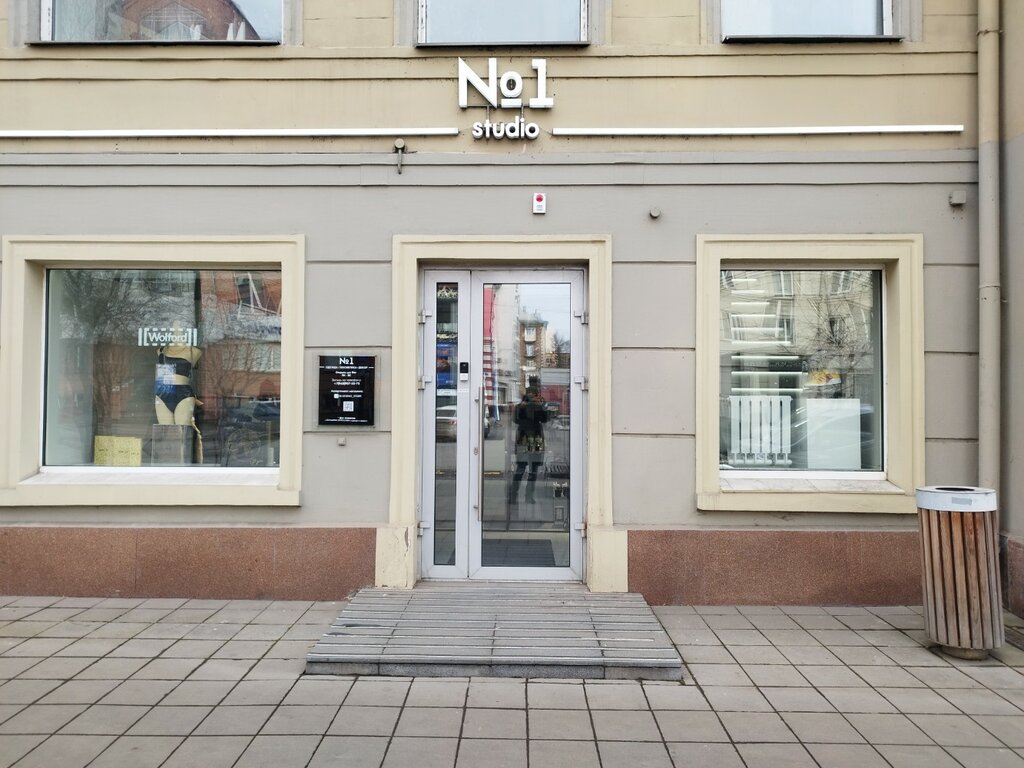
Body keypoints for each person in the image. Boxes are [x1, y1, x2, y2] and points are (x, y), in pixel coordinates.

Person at [508, 386, 548, 504]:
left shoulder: (523, 406)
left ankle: (516, 497)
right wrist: (538, 406)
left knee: (525, 468)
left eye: (533, 394)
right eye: (531, 394)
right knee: (528, 469)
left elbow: (544, 419)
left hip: (526, 438)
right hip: (531, 438)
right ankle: (524, 497)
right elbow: (545, 419)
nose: (531, 396)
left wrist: (539, 406)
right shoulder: (522, 406)